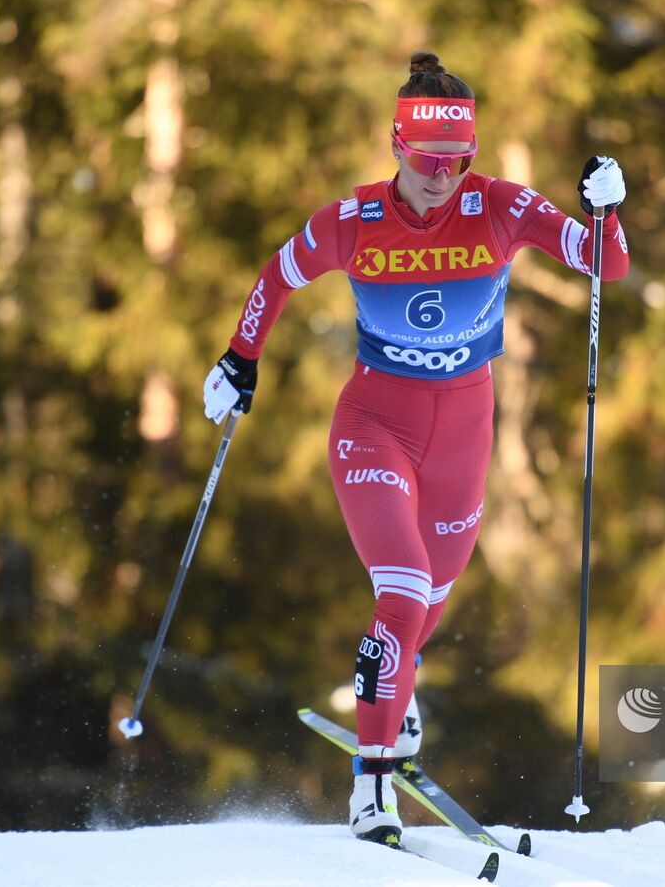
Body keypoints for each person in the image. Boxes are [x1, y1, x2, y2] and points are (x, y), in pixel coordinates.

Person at [200, 52, 629, 844]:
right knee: (401, 591)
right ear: (397, 144)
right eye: (429, 160)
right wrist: (239, 357)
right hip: (374, 423)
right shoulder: (353, 221)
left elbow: (607, 263)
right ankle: (371, 785)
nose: (443, 175)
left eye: (458, 160)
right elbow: (279, 274)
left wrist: (605, 211)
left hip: (466, 431)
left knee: (428, 608)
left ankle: (401, 687)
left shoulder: (500, 206)